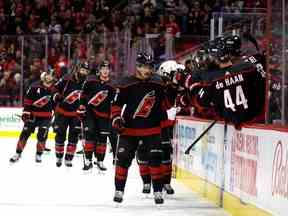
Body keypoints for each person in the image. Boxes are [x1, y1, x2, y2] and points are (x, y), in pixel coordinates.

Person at [111, 53, 166, 204]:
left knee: (155, 160)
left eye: (150, 66)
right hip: (129, 130)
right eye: (145, 66)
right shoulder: (125, 83)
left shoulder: (158, 82)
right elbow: (116, 104)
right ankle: (119, 190)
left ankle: (158, 192)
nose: (148, 70)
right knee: (122, 159)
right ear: (138, 67)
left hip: (152, 129)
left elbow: (165, 103)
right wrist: (116, 118)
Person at [9, 71, 55, 163]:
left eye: (51, 76)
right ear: (44, 76)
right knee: (24, 134)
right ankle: (18, 153)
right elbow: (27, 100)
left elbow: (56, 103)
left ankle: (38, 155)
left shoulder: (55, 88)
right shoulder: (34, 86)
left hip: (46, 116)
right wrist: (26, 111)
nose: (49, 77)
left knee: (42, 135)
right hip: (33, 115)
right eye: (48, 75)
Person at [79, 60, 116, 171]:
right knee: (89, 134)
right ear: (99, 70)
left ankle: (100, 161)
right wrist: (81, 107)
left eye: (107, 69)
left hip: (104, 115)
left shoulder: (111, 85)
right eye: (103, 69)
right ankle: (88, 161)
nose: (105, 71)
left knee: (102, 138)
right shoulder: (90, 80)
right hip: (90, 112)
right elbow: (83, 95)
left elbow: (114, 101)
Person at [52, 62, 89, 167]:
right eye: (83, 70)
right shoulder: (67, 78)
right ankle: (59, 157)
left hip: (76, 114)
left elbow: (88, 97)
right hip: (62, 112)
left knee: (73, 136)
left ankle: (68, 158)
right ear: (78, 69)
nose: (84, 73)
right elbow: (55, 88)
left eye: (86, 71)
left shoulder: (86, 83)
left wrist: (85, 108)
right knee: (60, 134)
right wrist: (56, 96)